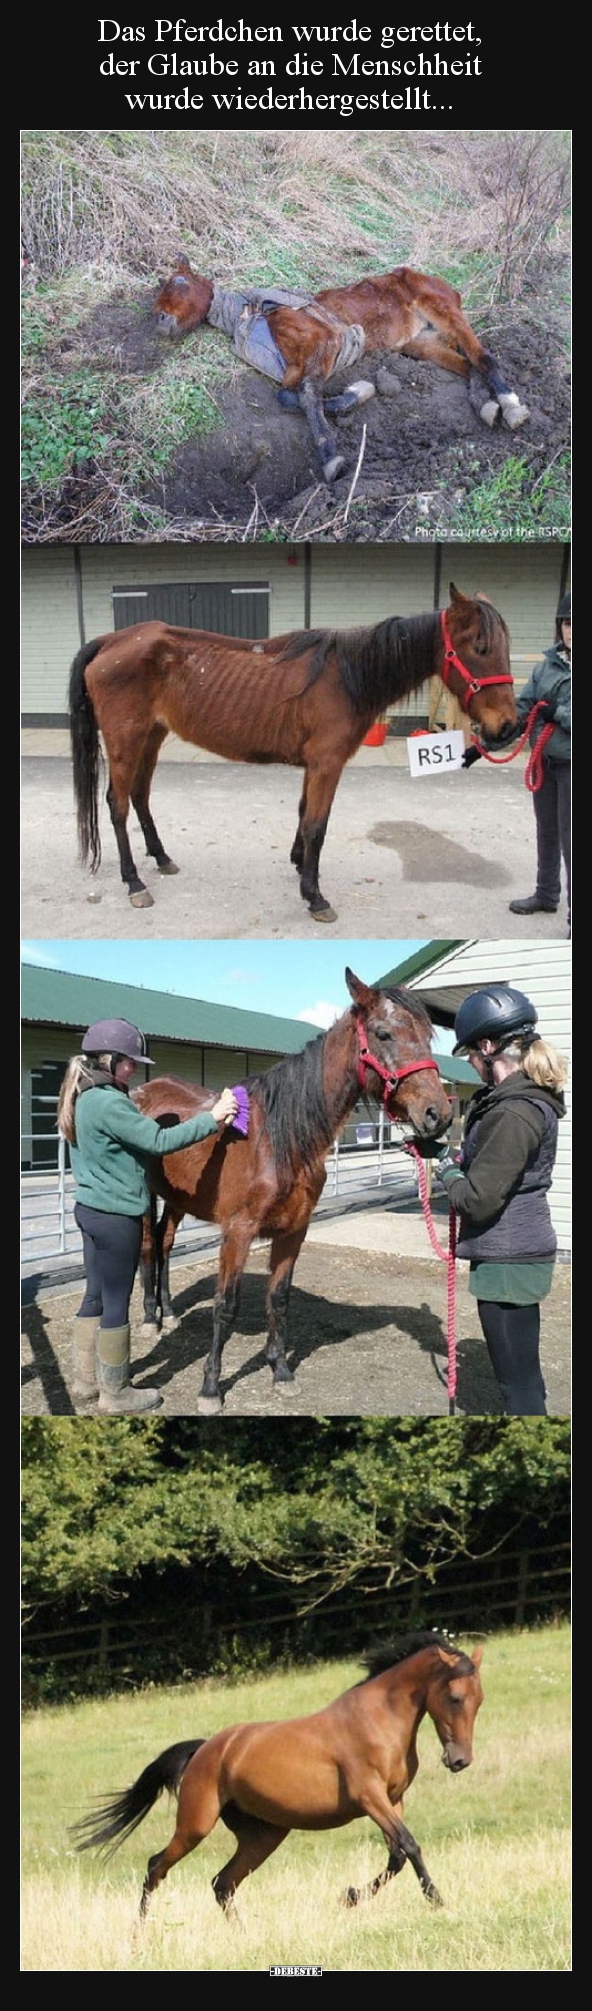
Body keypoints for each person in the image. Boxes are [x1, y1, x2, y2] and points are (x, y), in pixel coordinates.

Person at [57, 1017, 239, 1414]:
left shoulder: (83, 1095)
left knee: (94, 1295)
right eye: (129, 1061)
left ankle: (85, 1381)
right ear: (109, 1059)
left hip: (89, 1210)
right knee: (117, 1305)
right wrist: (212, 1118)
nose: (135, 1068)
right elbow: (158, 1141)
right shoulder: (109, 1102)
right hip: (117, 1215)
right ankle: (116, 1393)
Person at [426, 985, 567, 1416]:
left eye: (471, 1052)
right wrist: (442, 1152)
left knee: (517, 1387)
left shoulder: (514, 1112)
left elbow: (477, 1200)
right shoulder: (512, 1103)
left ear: (489, 1047)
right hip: (513, 1255)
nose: (469, 1061)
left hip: (509, 1262)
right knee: (525, 1377)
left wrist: (445, 1171)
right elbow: (489, 1167)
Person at [462, 592, 571, 932]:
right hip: (546, 762)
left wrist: (561, 713)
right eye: (568, 623)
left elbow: (555, 713)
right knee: (548, 833)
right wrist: (483, 747)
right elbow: (522, 711)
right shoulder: (547, 666)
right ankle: (546, 894)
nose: (573, 630)